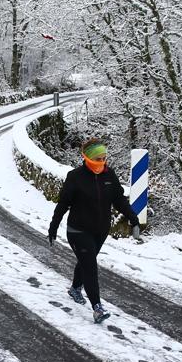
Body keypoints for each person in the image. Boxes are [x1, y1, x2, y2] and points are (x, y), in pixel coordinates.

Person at [48, 138, 142, 323]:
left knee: (85, 261)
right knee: (90, 266)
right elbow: (63, 204)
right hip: (78, 230)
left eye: (104, 158)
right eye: (98, 159)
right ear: (88, 158)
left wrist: (133, 218)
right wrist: (53, 226)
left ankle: (75, 289)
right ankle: (97, 307)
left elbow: (119, 200)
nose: (102, 162)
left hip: (100, 231)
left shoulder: (109, 175)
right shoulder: (75, 177)